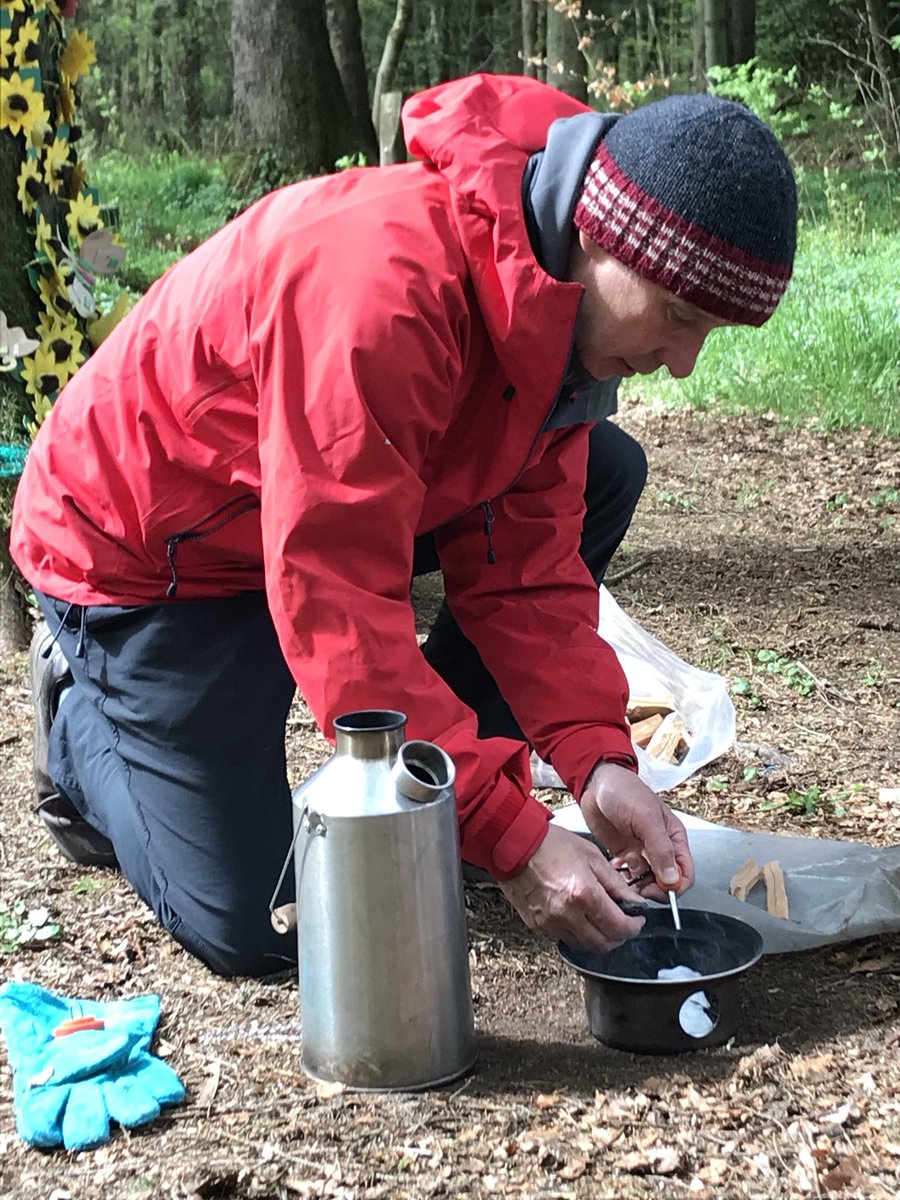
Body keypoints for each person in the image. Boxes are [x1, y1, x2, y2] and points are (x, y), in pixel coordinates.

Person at [11, 73, 797, 978]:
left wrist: (595, 760)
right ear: (598, 234)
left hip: (300, 512)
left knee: (607, 469)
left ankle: (439, 784)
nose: (685, 363)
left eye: (712, 332)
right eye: (677, 315)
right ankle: (81, 720)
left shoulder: (558, 311)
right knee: (264, 922)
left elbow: (527, 570)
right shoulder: (381, 290)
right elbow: (337, 594)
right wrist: (509, 832)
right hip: (149, 549)